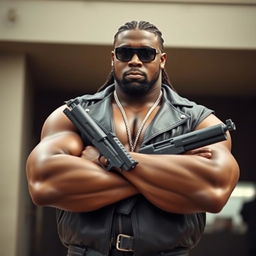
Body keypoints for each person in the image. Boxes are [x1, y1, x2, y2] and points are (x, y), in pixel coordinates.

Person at [26, 21, 240, 256]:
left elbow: (214, 191)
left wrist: (109, 160)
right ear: (113, 58)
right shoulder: (75, 115)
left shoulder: (199, 121)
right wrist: (167, 176)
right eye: (125, 52)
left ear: (162, 59)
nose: (135, 60)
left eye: (146, 53)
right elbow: (44, 183)